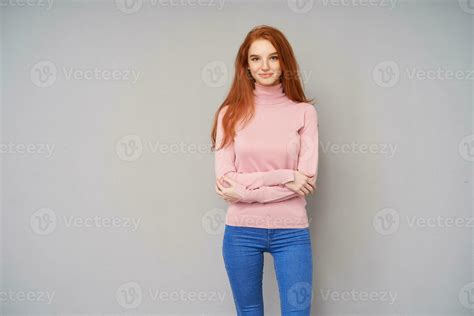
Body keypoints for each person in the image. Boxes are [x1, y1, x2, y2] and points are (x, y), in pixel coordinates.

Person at [210, 25, 319, 316]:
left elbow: (306, 180)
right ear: (245, 64)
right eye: (256, 59)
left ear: (284, 61)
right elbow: (226, 182)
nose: (265, 66)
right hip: (241, 233)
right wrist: (286, 176)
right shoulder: (229, 114)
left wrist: (246, 191)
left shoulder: (304, 112)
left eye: (273, 57)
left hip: (291, 232)